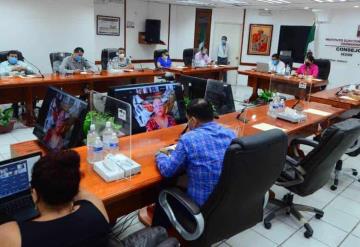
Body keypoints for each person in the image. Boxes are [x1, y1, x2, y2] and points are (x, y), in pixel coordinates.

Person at [152, 99, 236, 227]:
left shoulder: (188, 139)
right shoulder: (230, 134)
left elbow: (167, 171)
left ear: (193, 120)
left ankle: (161, 233)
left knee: (163, 187)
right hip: (225, 202)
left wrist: (160, 154)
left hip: (200, 208)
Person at [0, 150, 110, 247]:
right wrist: (64, 174)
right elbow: (79, 189)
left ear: (35, 194)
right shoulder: (97, 209)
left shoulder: (13, 238)